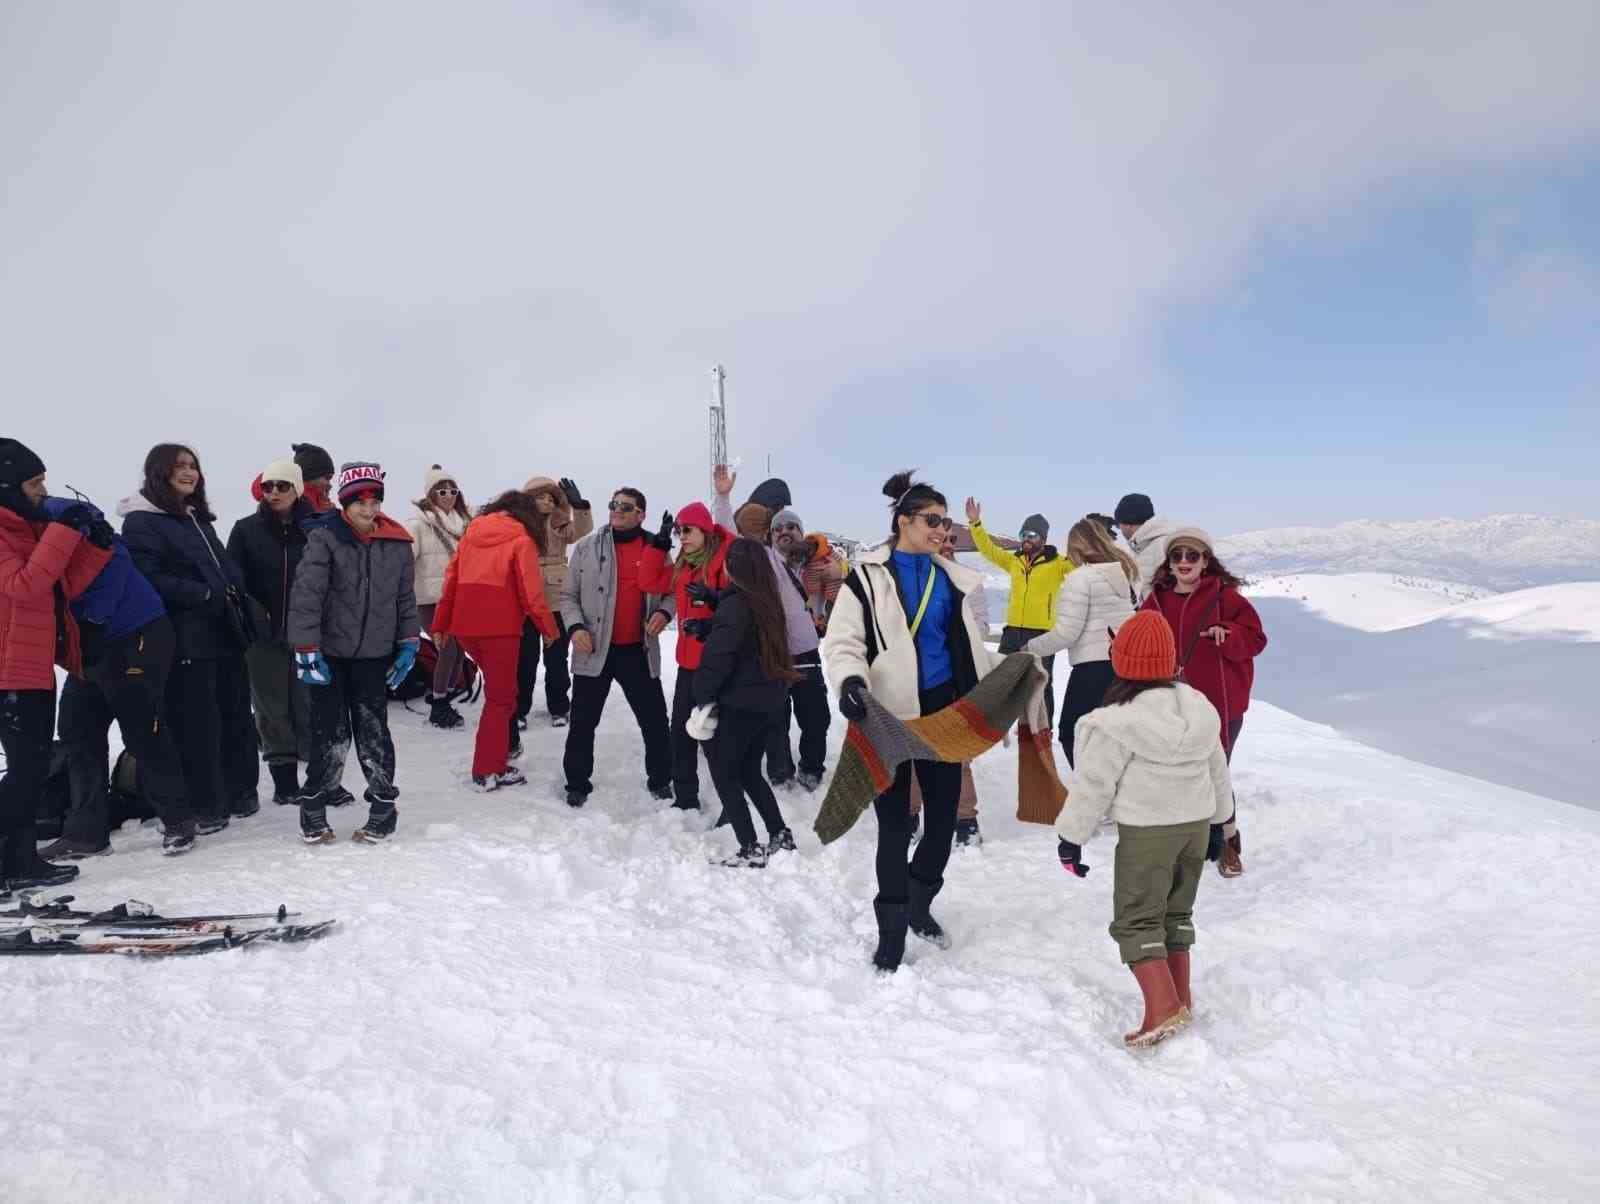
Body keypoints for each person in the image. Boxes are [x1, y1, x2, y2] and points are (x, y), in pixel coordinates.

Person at [825, 470, 998, 973]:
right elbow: (843, 641)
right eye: (933, 520)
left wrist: (1008, 683)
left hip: (944, 713)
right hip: (887, 714)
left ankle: (920, 901)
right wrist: (851, 681)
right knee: (895, 826)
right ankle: (892, 928)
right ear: (904, 521)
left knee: (942, 825)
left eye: (945, 522)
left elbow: (969, 650)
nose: (943, 529)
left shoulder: (952, 580)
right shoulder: (866, 578)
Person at [1054, 610, 1233, 1049]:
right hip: (1194, 827)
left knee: (1136, 921)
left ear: (1120, 659)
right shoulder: (1200, 708)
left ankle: (1163, 1007)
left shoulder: (1113, 722)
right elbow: (1218, 771)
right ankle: (1180, 998)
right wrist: (1223, 825)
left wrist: (1071, 838)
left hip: (1148, 833)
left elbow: (1094, 787)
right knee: (1175, 914)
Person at [43, 490, 196, 857]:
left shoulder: (57, 514)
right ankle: (86, 833)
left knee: (141, 726)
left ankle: (178, 819)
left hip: (135, 631)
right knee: (78, 729)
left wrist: (94, 619)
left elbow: (115, 556)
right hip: (89, 643)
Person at [120, 443, 259, 834]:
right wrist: (204, 594)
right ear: (159, 471)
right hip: (184, 634)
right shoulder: (141, 521)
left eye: (193, 465)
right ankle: (208, 805)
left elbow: (224, 564)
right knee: (198, 722)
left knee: (235, 712)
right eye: (179, 465)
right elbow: (148, 577)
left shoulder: (195, 517)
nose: (189, 472)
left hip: (224, 629)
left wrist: (234, 586)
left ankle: (241, 792)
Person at [287, 461, 419, 843]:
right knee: (330, 734)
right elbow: (307, 595)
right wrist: (306, 647)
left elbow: (404, 599)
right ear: (345, 504)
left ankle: (383, 806)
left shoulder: (396, 544)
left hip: (374, 655)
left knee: (373, 732)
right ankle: (314, 804)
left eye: (375, 501)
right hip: (329, 653)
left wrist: (409, 641)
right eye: (360, 502)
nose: (368, 509)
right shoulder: (325, 537)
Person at [0, 438, 110, 890]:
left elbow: (58, 585)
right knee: (25, 770)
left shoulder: (27, 528)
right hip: (8, 673)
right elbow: (23, 585)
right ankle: (12, 861)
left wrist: (96, 546)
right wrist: (63, 532)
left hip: (32, 667)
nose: (43, 491)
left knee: (32, 768)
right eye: (34, 482)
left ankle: (19, 860)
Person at [1140, 527, 1267, 878]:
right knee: (1178, 775)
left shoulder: (1225, 598)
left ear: (1205, 561)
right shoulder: (1157, 600)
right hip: (1170, 705)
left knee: (1215, 774)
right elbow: (1138, 637)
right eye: (1177, 555)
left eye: (1192, 555)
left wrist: (1230, 634)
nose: (1184, 562)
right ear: (1169, 562)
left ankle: (1227, 843)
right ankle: (1188, 843)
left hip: (1219, 706)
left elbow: (1256, 639)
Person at [432, 490, 559, 791]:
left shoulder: (471, 534)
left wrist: (441, 623)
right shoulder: (521, 539)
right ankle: (488, 769)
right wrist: (549, 629)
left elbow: (451, 581)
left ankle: (498, 755)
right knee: (500, 699)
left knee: (502, 695)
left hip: (465, 628)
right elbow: (531, 593)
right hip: (500, 628)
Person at [711, 470, 827, 790]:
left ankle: (812, 766)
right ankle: (779, 769)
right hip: (774, 652)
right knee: (776, 718)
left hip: (807, 652)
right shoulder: (764, 560)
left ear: (801, 531)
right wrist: (723, 497)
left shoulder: (820, 564)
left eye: (791, 527)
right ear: (770, 535)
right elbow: (729, 532)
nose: (785, 532)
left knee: (816, 717)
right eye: (778, 528)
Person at [558, 486, 674, 808]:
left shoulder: (656, 547)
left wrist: (664, 613)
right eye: (614, 504)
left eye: (625, 507)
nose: (617, 510)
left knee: (654, 721)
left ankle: (661, 780)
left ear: (641, 514)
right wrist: (575, 627)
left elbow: (672, 591)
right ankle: (576, 783)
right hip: (594, 649)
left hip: (638, 650)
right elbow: (567, 596)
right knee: (583, 722)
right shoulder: (586, 547)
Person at [692, 538, 800, 867]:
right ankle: (780, 833)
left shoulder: (736, 604)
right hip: (767, 701)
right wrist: (711, 625)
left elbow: (720, 656)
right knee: (750, 771)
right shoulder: (768, 601)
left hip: (738, 704)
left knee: (725, 774)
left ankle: (749, 847)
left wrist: (702, 694)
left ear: (732, 567)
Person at [635, 501, 734, 811]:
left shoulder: (726, 562)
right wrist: (659, 545)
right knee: (680, 732)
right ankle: (686, 798)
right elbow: (647, 582)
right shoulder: (683, 566)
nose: (683, 537)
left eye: (687, 530)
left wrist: (713, 606)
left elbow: (742, 609)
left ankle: (732, 805)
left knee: (717, 738)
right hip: (689, 665)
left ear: (705, 531)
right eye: (679, 532)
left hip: (721, 666)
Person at [228, 457, 316, 803]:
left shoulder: (318, 529)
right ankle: (285, 782)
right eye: (268, 486)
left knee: (309, 704)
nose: (274, 492)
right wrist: (252, 610)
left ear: (298, 489)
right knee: (270, 707)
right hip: (262, 636)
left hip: (309, 634)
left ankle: (319, 776)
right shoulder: (245, 529)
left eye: (282, 485)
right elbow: (233, 579)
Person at [1026, 517, 1139, 767]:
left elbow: (1067, 633)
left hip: (1092, 669)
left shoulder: (1081, 578)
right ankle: (1116, 784)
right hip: (1124, 668)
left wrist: (1030, 647)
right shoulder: (1124, 574)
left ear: (1077, 546)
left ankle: (1093, 785)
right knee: (1112, 736)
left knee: (1072, 732)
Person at [909, 531, 988, 846]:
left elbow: (982, 626)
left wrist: (955, 633)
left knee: (955, 752)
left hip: (956, 678)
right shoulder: (909, 579)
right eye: (941, 539)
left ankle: (965, 819)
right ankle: (909, 816)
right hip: (914, 678)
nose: (948, 545)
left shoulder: (969, 581)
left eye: (951, 540)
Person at [964, 498, 1073, 726]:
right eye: (1023, 534)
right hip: (1012, 631)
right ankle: (990, 725)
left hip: (1042, 634)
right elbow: (988, 549)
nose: (1026, 539)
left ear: (1043, 538)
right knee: (998, 678)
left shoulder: (1058, 564)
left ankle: (1043, 729)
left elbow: (1083, 567)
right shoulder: (1014, 561)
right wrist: (975, 523)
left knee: (1041, 684)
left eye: (1032, 535)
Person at [516, 477, 593, 730]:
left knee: (557, 657)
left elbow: (581, 531)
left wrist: (579, 506)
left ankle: (559, 707)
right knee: (525, 658)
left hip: (557, 597)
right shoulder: (517, 524)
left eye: (551, 498)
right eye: (541, 497)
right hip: (525, 599)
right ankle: (519, 709)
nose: (547, 502)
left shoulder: (559, 523)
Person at [404, 465, 472, 730]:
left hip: (459, 597)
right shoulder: (419, 524)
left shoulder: (466, 522)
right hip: (430, 599)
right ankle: (439, 704)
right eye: (442, 491)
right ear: (431, 493)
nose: (448, 496)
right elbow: (406, 559)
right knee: (448, 647)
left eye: (453, 491)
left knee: (459, 648)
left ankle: (446, 695)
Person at [1114, 493, 1180, 604]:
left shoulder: (1162, 546)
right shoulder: (1141, 547)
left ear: (1128, 524)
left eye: (1118, 525)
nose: (1120, 530)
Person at [292, 442, 338, 513]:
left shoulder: (327, 508)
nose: (330, 485)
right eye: (327, 478)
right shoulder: (298, 510)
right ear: (310, 477)